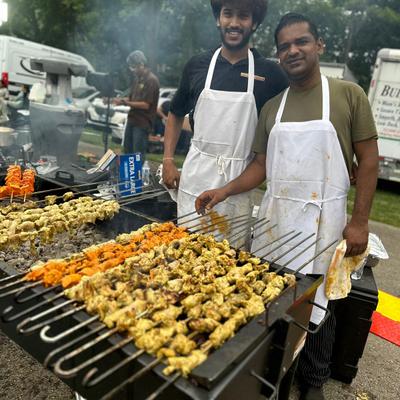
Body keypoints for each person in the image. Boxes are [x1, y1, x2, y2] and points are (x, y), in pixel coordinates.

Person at [195, 12, 379, 400]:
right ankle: (275, 374)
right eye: (284, 47)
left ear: (319, 45)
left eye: (301, 42)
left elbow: (369, 161)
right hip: (277, 222)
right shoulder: (272, 107)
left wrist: (359, 221)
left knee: (320, 306)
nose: (293, 51)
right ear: (278, 55)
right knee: (275, 302)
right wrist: (223, 191)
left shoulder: (348, 95)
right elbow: (259, 166)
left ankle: (312, 380)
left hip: (323, 224)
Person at [162, 0, 288, 225]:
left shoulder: (271, 74)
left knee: (226, 255)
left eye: (243, 16)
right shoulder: (197, 65)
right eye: (228, 14)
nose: (234, 23)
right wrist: (168, 160)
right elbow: (175, 113)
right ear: (217, 19)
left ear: (255, 23)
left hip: (238, 182)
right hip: (195, 176)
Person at [114, 50, 159, 158]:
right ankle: (126, 175)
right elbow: (131, 98)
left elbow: (146, 105)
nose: (132, 70)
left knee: (137, 154)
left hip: (142, 122)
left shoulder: (151, 80)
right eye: (131, 67)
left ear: (141, 64)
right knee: (127, 149)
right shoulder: (137, 79)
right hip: (132, 119)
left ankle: (136, 175)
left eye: (134, 67)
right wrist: (116, 100)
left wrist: (125, 102)